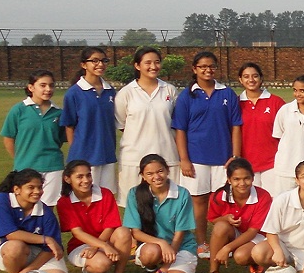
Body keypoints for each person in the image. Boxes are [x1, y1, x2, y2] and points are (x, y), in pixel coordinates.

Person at [173, 51, 242, 258]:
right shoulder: (186, 95)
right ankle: (202, 242)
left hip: (224, 158)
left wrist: (235, 156)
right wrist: (184, 159)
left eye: (211, 66)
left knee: (224, 201)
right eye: (202, 66)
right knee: (199, 201)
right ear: (194, 69)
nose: (207, 70)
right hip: (196, 158)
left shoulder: (227, 93)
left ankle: (225, 241)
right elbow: (180, 129)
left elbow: (236, 126)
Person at [115, 47, 180, 207]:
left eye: (157, 62)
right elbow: (123, 125)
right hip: (135, 157)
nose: (153, 66)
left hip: (167, 154)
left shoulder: (170, 90)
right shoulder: (126, 93)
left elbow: (177, 123)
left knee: (167, 203)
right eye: (148, 63)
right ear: (137, 66)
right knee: (136, 205)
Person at [0, 169, 70, 273]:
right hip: (13, 251)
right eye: (31, 187)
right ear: (17, 189)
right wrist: (47, 239)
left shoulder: (46, 212)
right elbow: (11, 234)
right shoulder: (2, 200)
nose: (37, 192)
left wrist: (29, 269)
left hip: (40, 254)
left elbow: (51, 250)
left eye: (40, 187)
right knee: (15, 247)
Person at [123, 154, 196, 273]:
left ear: (167, 170)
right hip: (153, 247)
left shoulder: (182, 194)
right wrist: (162, 243)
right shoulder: (135, 194)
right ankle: (151, 269)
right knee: (151, 251)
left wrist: (165, 268)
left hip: (180, 246)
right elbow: (136, 232)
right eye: (150, 174)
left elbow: (180, 234)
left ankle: (166, 270)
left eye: (160, 171)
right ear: (143, 176)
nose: (156, 177)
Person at [56, 160, 131, 273]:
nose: (86, 180)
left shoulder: (105, 194)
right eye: (79, 176)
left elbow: (111, 226)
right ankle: (89, 272)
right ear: (67, 179)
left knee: (123, 232)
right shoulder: (64, 202)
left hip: (104, 240)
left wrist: (97, 246)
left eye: (88, 175)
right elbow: (78, 233)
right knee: (102, 264)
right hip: (81, 245)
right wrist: (103, 246)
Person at [199, 158, 273, 273]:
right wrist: (225, 218)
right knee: (220, 226)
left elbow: (253, 231)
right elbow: (213, 219)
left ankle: (254, 262)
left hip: (257, 236)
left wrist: (227, 248)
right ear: (229, 180)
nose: (242, 183)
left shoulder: (263, 196)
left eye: (247, 178)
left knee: (240, 256)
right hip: (235, 233)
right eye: (236, 179)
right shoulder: (219, 195)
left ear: (253, 178)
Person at [2, 70, 65, 207]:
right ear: (31, 87)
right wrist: (21, 158)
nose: (48, 89)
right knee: (26, 205)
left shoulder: (59, 113)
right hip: (26, 166)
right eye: (43, 85)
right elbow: (8, 138)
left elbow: (59, 140)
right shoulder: (18, 110)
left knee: (48, 207)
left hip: (53, 166)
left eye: (51, 85)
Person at [62, 47, 119, 193]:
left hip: (107, 154)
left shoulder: (110, 91)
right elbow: (69, 125)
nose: (100, 64)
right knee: (85, 198)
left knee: (105, 198)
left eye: (103, 61)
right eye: (94, 61)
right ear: (83, 64)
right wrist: (76, 153)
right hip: (84, 156)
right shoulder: (74, 93)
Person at [271, 75, 304, 196]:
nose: (298, 94)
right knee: (283, 205)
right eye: (295, 90)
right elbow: (278, 136)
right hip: (286, 166)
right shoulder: (285, 110)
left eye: (303, 90)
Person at [236, 62, 286, 187]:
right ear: (240, 80)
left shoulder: (276, 102)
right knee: (252, 201)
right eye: (246, 76)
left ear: (261, 78)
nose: (251, 80)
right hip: (245, 163)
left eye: (255, 76)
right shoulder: (235, 103)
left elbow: (289, 132)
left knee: (273, 202)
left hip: (273, 163)